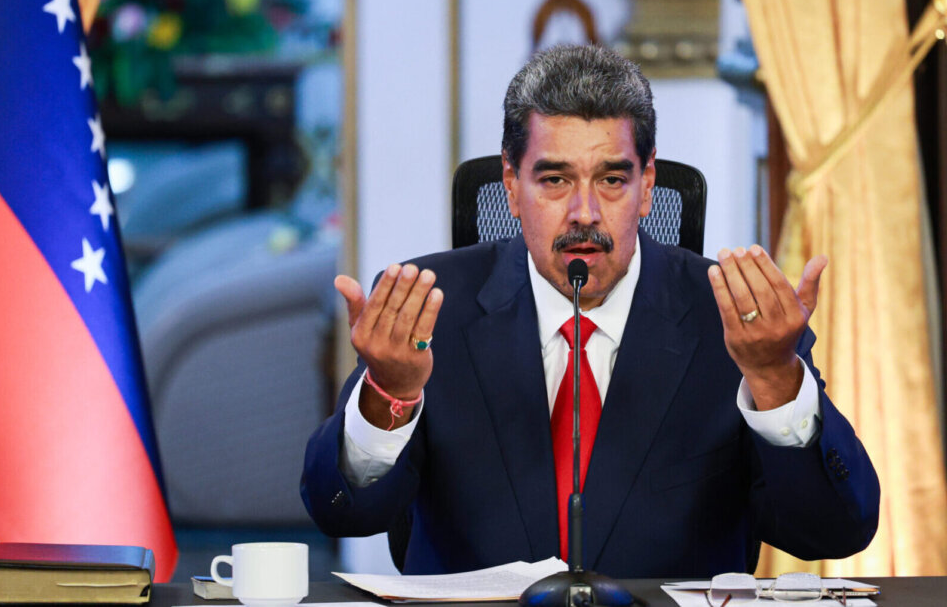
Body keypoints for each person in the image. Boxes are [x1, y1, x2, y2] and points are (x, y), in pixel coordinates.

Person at [301, 45, 878, 577]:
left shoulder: (735, 319)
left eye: (611, 180)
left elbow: (835, 531)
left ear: (647, 185)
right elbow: (344, 513)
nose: (584, 213)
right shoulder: (430, 312)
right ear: (510, 183)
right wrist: (388, 396)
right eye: (554, 179)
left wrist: (776, 377)